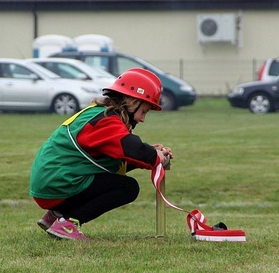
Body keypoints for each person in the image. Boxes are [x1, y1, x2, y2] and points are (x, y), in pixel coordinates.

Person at [29, 68, 173, 241]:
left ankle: (55, 216)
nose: (142, 119)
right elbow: (129, 147)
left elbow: (114, 159)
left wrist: (150, 151)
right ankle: (67, 223)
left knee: (115, 180)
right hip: (58, 184)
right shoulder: (107, 121)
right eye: (144, 111)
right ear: (131, 102)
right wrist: (153, 155)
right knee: (128, 188)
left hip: (53, 180)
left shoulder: (98, 113)